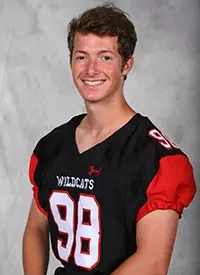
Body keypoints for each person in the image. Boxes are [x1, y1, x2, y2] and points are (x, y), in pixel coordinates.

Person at [22, 3, 196, 275]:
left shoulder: (155, 158)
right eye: (81, 57)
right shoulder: (52, 146)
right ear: (70, 61)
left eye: (105, 57)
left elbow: (152, 262)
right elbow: (35, 228)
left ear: (126, 65)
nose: (91, 69)